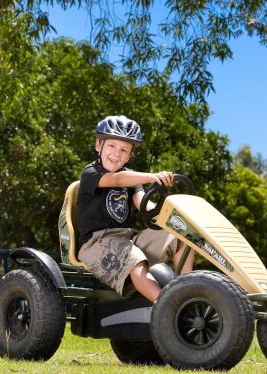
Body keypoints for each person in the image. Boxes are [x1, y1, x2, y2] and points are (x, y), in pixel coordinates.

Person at [77, 115, 194, 303]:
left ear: (130, 155)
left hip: (128, 238)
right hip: (96, 243)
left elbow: (143, 203)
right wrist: (151, 177)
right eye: (112, 146)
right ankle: (167, 308)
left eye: (124, 149)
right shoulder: (91, 173)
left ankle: (188, 292)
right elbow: (117, 179)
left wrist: (166, 214)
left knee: (181, 234)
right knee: (134, 258)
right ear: (98, 145)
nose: (117, 153)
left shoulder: (131, 178)